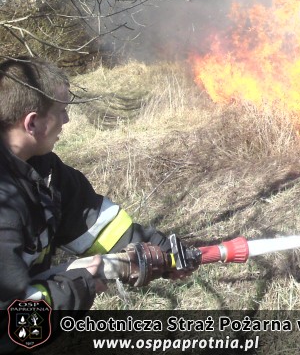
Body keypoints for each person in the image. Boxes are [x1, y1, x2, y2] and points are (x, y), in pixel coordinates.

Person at [0, 57, 184, 312]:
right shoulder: (4, 209)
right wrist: (87, 281)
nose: (67, 120)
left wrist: (164, 252)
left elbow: (95, 223)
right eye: (61, 110)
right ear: (32, 123)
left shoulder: (44, 170)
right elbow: (14, 321)